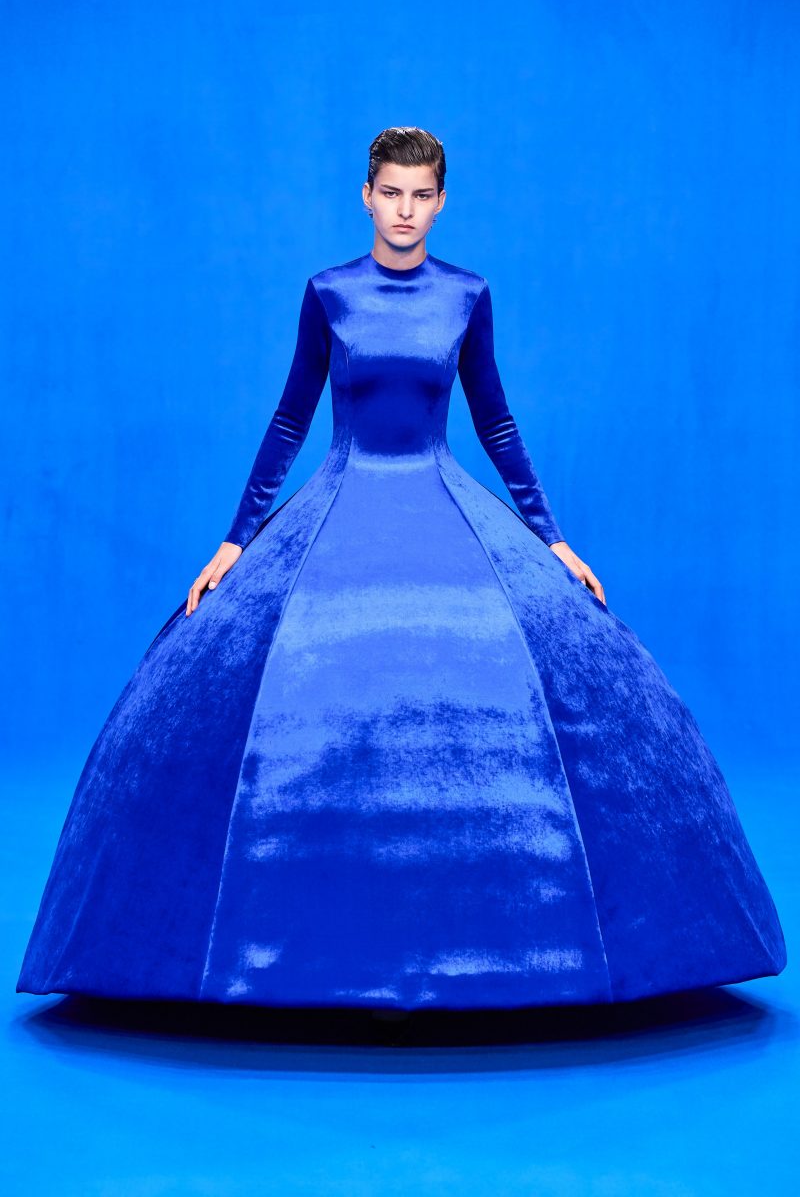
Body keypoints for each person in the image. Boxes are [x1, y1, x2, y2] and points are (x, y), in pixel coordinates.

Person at [17, 126, 786, 1011]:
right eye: (391, 193)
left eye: (422, 196)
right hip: (340, 502)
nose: (406, 211)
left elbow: (496, 421)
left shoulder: (466, 296)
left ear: (442, 201)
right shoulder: (329, 293)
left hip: (443, 498)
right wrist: (235, 541)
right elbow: (290, 420)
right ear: (367, 195)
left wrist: (551, 540)